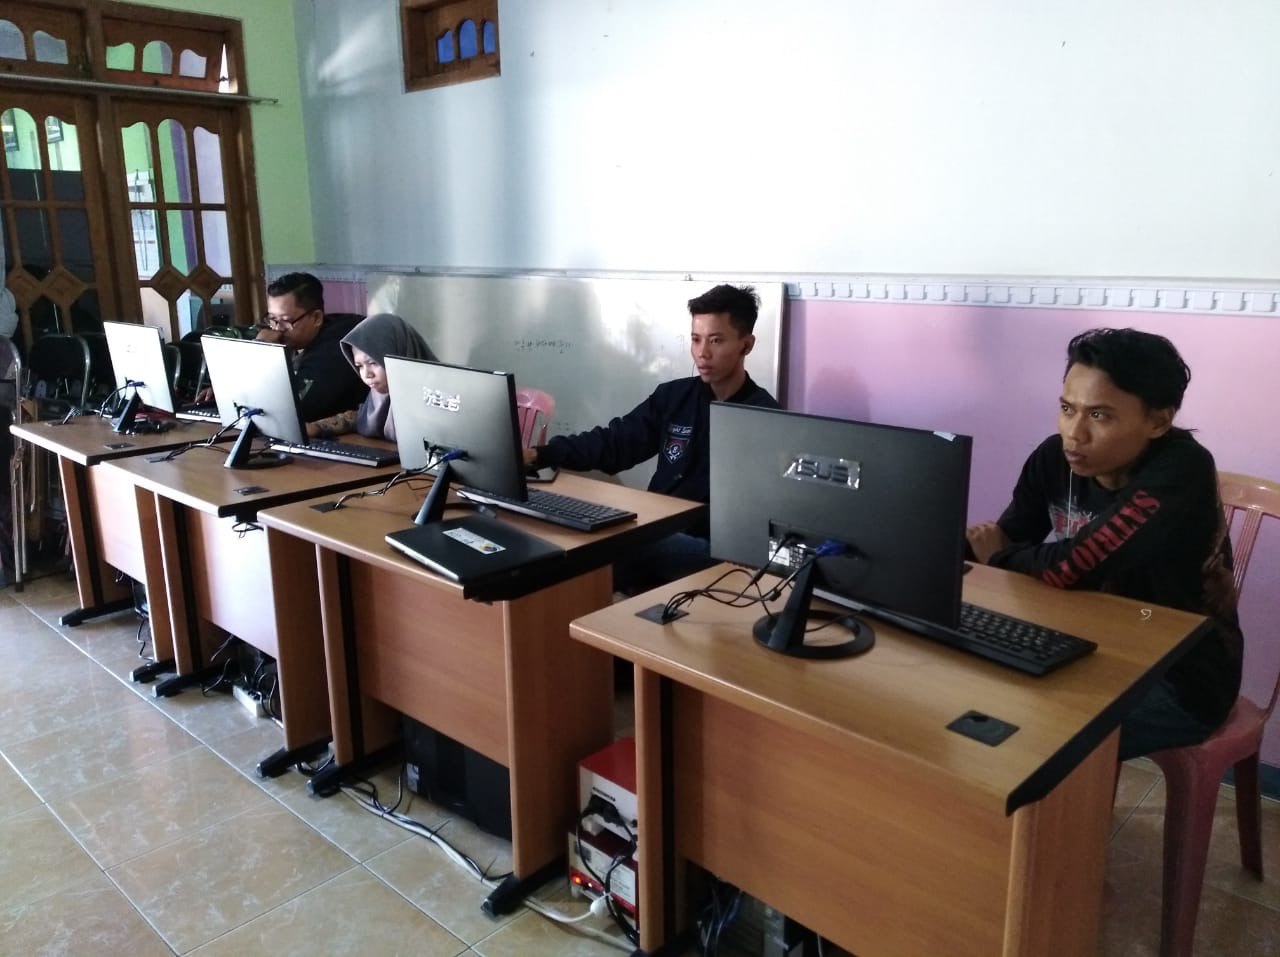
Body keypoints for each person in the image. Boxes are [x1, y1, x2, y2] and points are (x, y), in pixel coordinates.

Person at [966, 327, 1242, 760]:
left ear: (1158, 421)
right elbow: (1008, 547)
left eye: (1099, 415)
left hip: (1180, 680)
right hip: (1085, 650)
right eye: (1067, 408)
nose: (1074, 434)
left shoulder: (1182, 468)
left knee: (1023, 740)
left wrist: (1001, 555)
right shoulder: (1053, 457)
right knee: (967, 698)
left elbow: (1067, 566)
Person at [525, 283, 780, 591]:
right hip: (658, 531)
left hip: (712, 550)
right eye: (696, 339)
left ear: (746, 345)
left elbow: (760, 518)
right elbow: (615, 442)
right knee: (585, 535)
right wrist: (540, 455)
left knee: (618, 545)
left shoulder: (767, 419)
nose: (702, 353)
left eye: (716, 340)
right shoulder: (673, 397)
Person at [198, 272, 368, 435]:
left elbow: (295, 412)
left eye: (286, 321)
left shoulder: (335, 345)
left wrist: (262, 352)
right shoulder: (296, 339)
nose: (277, 329)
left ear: (316, 318)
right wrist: (230, 391)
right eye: (272, 319)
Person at [329, 313, 438, 440]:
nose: (367, 374)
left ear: (398, 352)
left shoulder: (438, 399)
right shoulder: (380, 396)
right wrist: (318, 427)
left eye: (373, 362)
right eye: (359, 366)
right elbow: (360, 417)